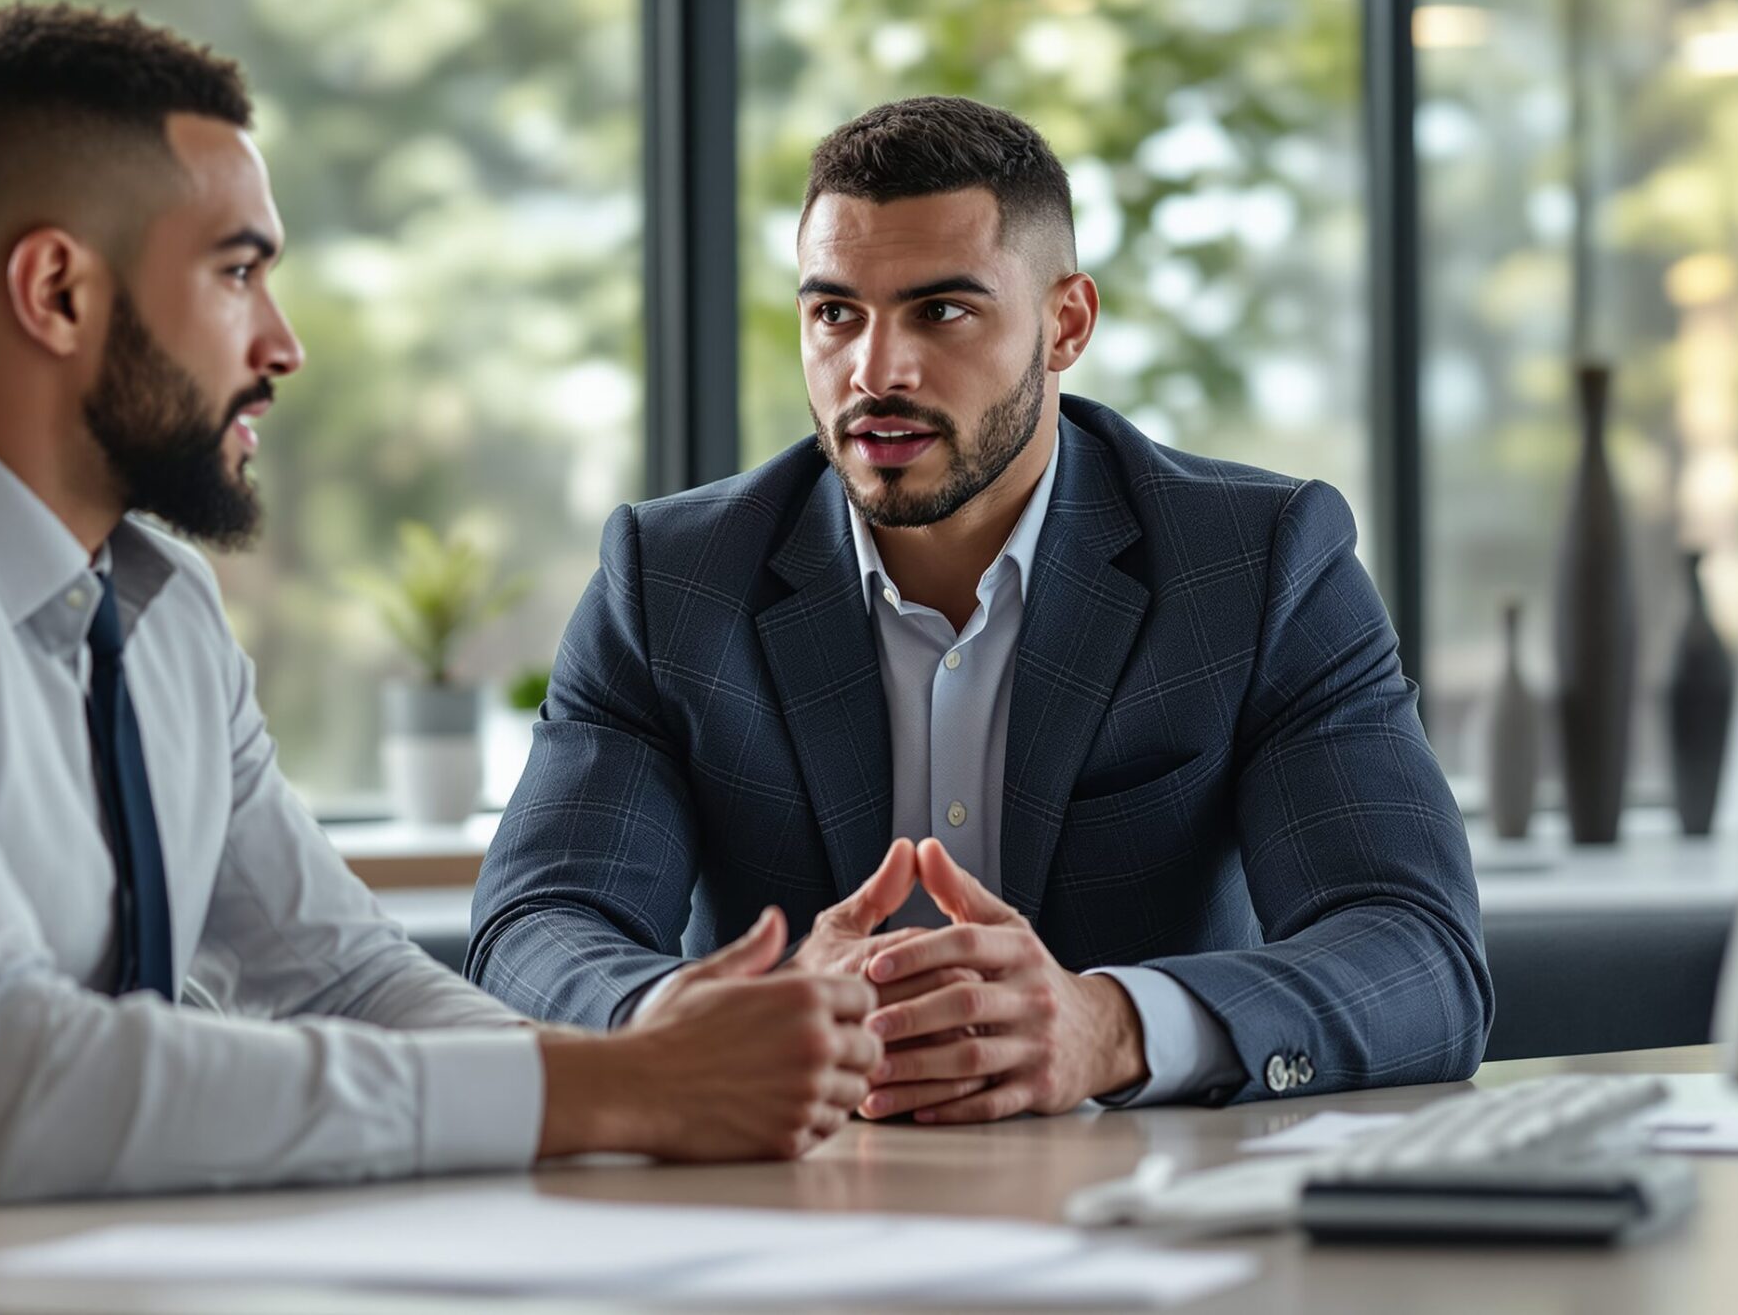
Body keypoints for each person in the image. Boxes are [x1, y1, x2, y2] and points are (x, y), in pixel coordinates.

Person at [0, 4, 878, 1250]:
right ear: (57, 290)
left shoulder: (153, 601)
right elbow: (5, 1086)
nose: (284, 342)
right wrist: (614, 1094)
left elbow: (339, 978)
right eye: (238, 271)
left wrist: (644, 1068)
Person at [471, 96, 1491, 1123]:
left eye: (940, 311)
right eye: (834, 313)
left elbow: (1417, 953)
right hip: (786, 1211)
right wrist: (688, 1015)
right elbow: (537, 923)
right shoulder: (675, 577)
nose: (875, 372)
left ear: (1066, 325)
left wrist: (1110, 1026)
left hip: (1142, 1218)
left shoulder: (1258, 563)